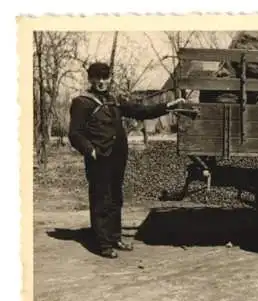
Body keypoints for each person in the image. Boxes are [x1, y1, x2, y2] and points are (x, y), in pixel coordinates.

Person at [69, 62, 185, 258]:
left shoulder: (114, 100)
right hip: (99, 158)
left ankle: (115, 237)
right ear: (90, 79)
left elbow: (140, 111)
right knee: (100, 198)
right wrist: (90, 151)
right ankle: (103, 243)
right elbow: (75, 134)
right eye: (97, 77)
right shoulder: (82, 102)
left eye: (105, 78)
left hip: (117, 157)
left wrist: (168, 107)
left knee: (115, 197)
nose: (101, 82)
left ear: (110, 79)